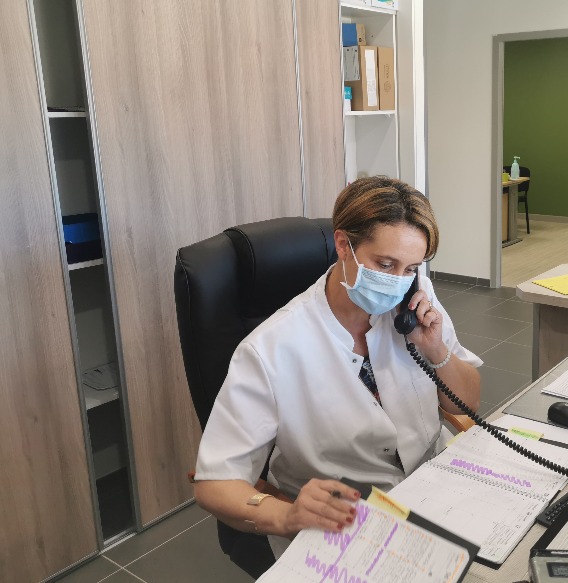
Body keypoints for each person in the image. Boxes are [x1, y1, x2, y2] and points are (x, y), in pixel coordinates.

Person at [193, 176, 482, 558]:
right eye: (385, 264)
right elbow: (214, 484)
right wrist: (287, 516)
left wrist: (435, 349)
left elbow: (467, 405)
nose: (398, 282)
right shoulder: (271, 348)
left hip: (433, 493)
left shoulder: (415, 303)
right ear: (344, 245)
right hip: (344, 525)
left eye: (411, 268)